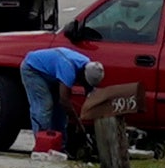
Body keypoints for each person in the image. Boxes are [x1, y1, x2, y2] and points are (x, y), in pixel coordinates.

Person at [19, 20, 102, 156]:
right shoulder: (68, 67)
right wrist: (79, 124)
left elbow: (90, 98)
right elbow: (64, 99)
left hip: (51, 74)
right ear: (82, 75)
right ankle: (42, 146)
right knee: (45, 105)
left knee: (60, 113)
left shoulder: (89, 66)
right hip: (33, 69)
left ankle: (59, 147)